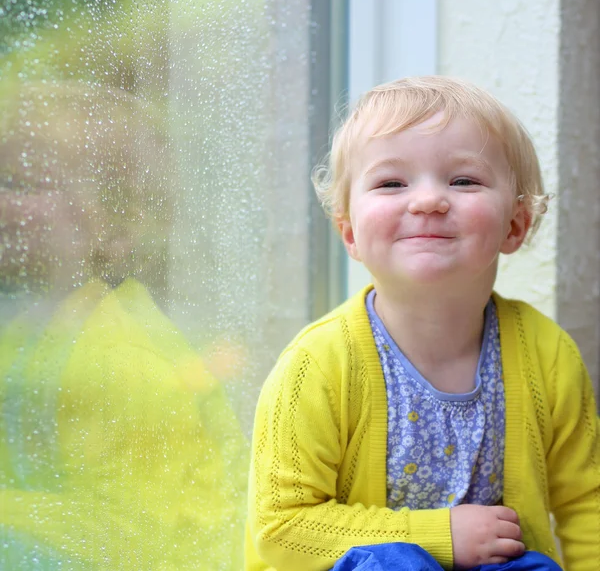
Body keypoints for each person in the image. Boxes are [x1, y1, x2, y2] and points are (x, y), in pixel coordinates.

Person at [245, 76, 600, 571]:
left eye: (463, 180)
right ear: (350, 232)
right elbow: (280, 531)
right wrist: (439, 536)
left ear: (515, 225)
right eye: (392, 183)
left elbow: (588, 505)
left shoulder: (547, 353)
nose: (428, 200)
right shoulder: (317, 365)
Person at [0, 81, 249, 569]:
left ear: (119, 229)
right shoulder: (31, 326)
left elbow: (148, 540)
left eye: (25, 184)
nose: (3, 200)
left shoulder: (125, 358)